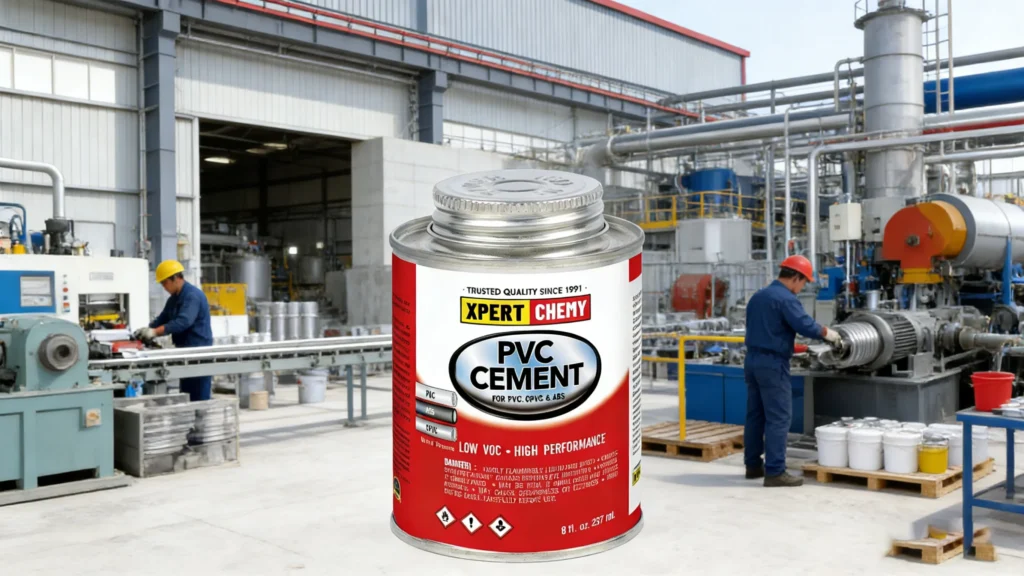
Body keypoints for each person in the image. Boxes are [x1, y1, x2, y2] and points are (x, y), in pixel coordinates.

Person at [744, 255, 841, 487]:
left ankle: (753, 465)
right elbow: (805, 325)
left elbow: (766, 331)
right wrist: (828, 333)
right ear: (796, 277)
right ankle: (775, 472)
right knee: (779, 418)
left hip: (753, 360)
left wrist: (797, 347)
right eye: (804, 282)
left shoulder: (758, 296)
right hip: (772, 365)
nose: (802, 288)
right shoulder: (786, 299)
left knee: (756, 415)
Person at [135, 260, 214, 401]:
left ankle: (200, 415)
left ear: (176, 278)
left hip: (199, 353)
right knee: (186, 395)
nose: (164, 287)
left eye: (165, 283)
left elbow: (183, 322)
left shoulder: (192, 296)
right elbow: (163, 318)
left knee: (199, 396)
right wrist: (147, 329)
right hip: (184, 352)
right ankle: (189, 415)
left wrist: (155, 332)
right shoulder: (174, 299)